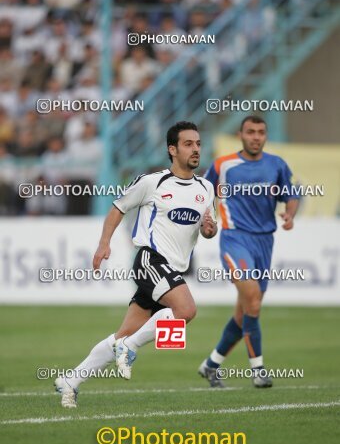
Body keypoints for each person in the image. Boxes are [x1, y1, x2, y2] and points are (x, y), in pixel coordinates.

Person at [55, 121, 217, 408]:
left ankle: (71, 380)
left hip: (172, 271)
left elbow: (207, 230)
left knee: (125, 333)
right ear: (172, 149)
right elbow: (118, 208)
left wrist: (209, 228)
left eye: (198, 144)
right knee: (186, 310)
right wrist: (104, 243)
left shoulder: (205, 188)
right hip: (149, 261)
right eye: (188, 144)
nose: (195, 149)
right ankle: (128, 348)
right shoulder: (152, 182)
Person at [198, 115, 299, 388]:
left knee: (246, 311)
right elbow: (203, 192)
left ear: (265, 136)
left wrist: (289, 215)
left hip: (265, 242)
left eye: (261, 132)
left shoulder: (276, 165)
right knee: (252, 299)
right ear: (241, 135)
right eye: (250, 132)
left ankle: (211, 365)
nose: (256, 136)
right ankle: (258, 370)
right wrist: (205, 220)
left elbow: (291, 195)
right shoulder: (223, 165)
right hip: (235, 238)